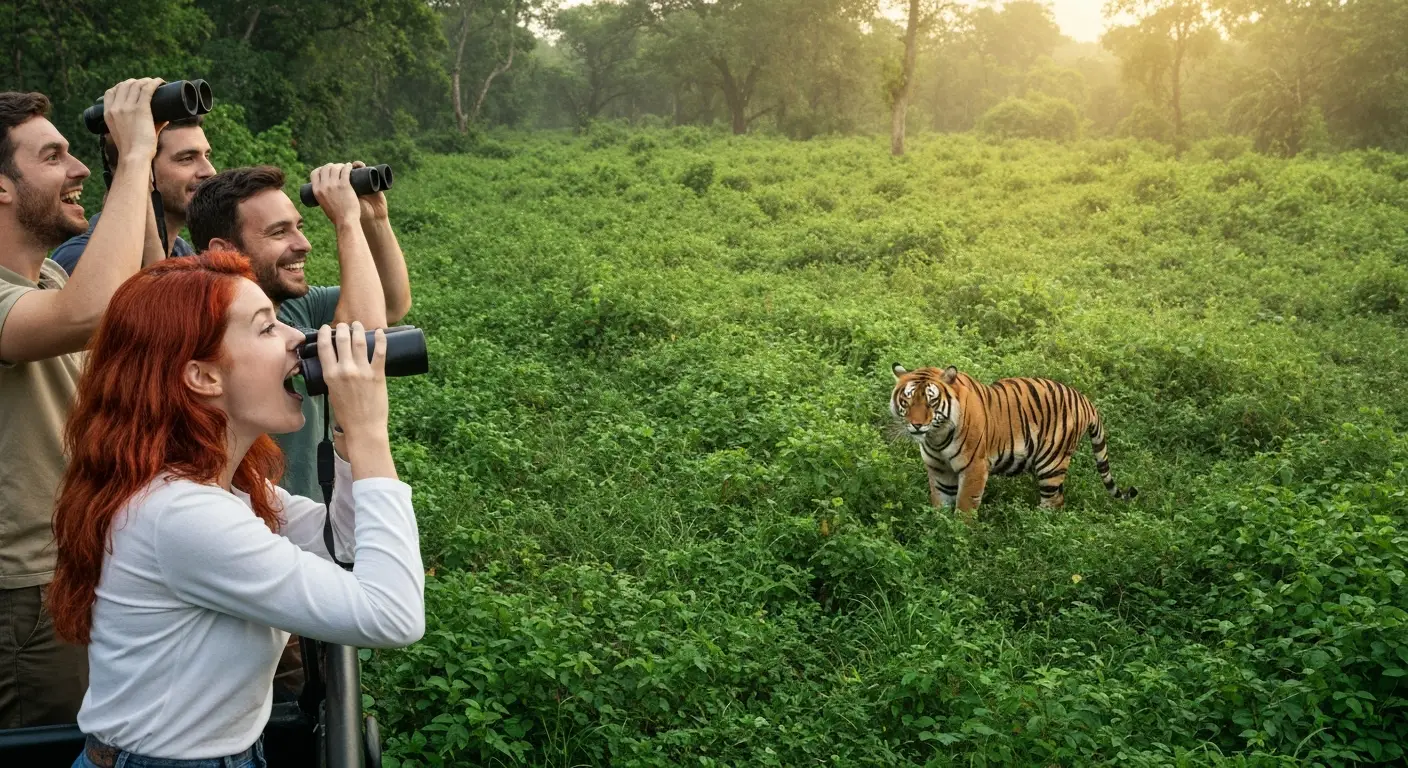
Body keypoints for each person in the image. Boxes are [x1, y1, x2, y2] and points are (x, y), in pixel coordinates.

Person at [48, 252, 424, 767]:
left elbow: (344, 539)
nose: (299, 339)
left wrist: (347, 435)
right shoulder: (179, 514)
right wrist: (371, 434)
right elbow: (392, 616)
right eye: (267, 329)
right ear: (202, 376)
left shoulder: (217, 484)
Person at [185, 162, 411, 700]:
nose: (297, 345)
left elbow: (391, 305)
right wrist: (366, 429)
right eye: (279, 231)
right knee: (290, 699)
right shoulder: (190, 510)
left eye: (300, 225)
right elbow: (365, 335)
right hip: (261, 550)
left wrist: (372, 220)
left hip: (290, 520)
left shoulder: (293, 308)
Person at [0, 79, 168, 729]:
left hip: (73, 572)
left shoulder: (50, 279)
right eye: (51, 157)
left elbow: (147, 310)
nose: (75, 171)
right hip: (23, 598)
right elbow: (93, 311)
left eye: (75, 154)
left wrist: (138, 166)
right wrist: (131, 157)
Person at [50, 115, 215, 273]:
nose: (209, 171)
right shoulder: (81, 258)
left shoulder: (182, 253)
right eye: (186, 158)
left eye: (207, 156)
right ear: (140, 169)